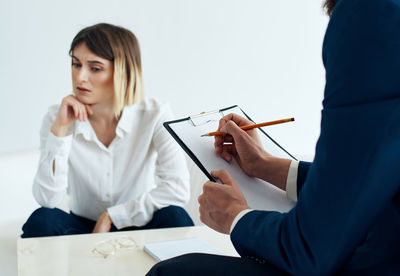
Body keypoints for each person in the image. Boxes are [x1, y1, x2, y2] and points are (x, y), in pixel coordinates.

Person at [147, 0, 400, 275]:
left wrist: (235, 216)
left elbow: (308, 250)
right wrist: (265, 164)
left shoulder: (372, 12)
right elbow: (367, 176)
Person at [21, 23, 194, 238]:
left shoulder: (155, 114)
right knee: (42, 220)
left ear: (123, 71)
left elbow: (177, 190)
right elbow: (47, 199)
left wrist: (112, 216)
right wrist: (61, 130)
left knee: (176, 217)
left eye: (95, 68)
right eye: (76, 64)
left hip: (140, 223)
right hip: (82, 228)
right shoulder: (57, 117)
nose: (80, 77)